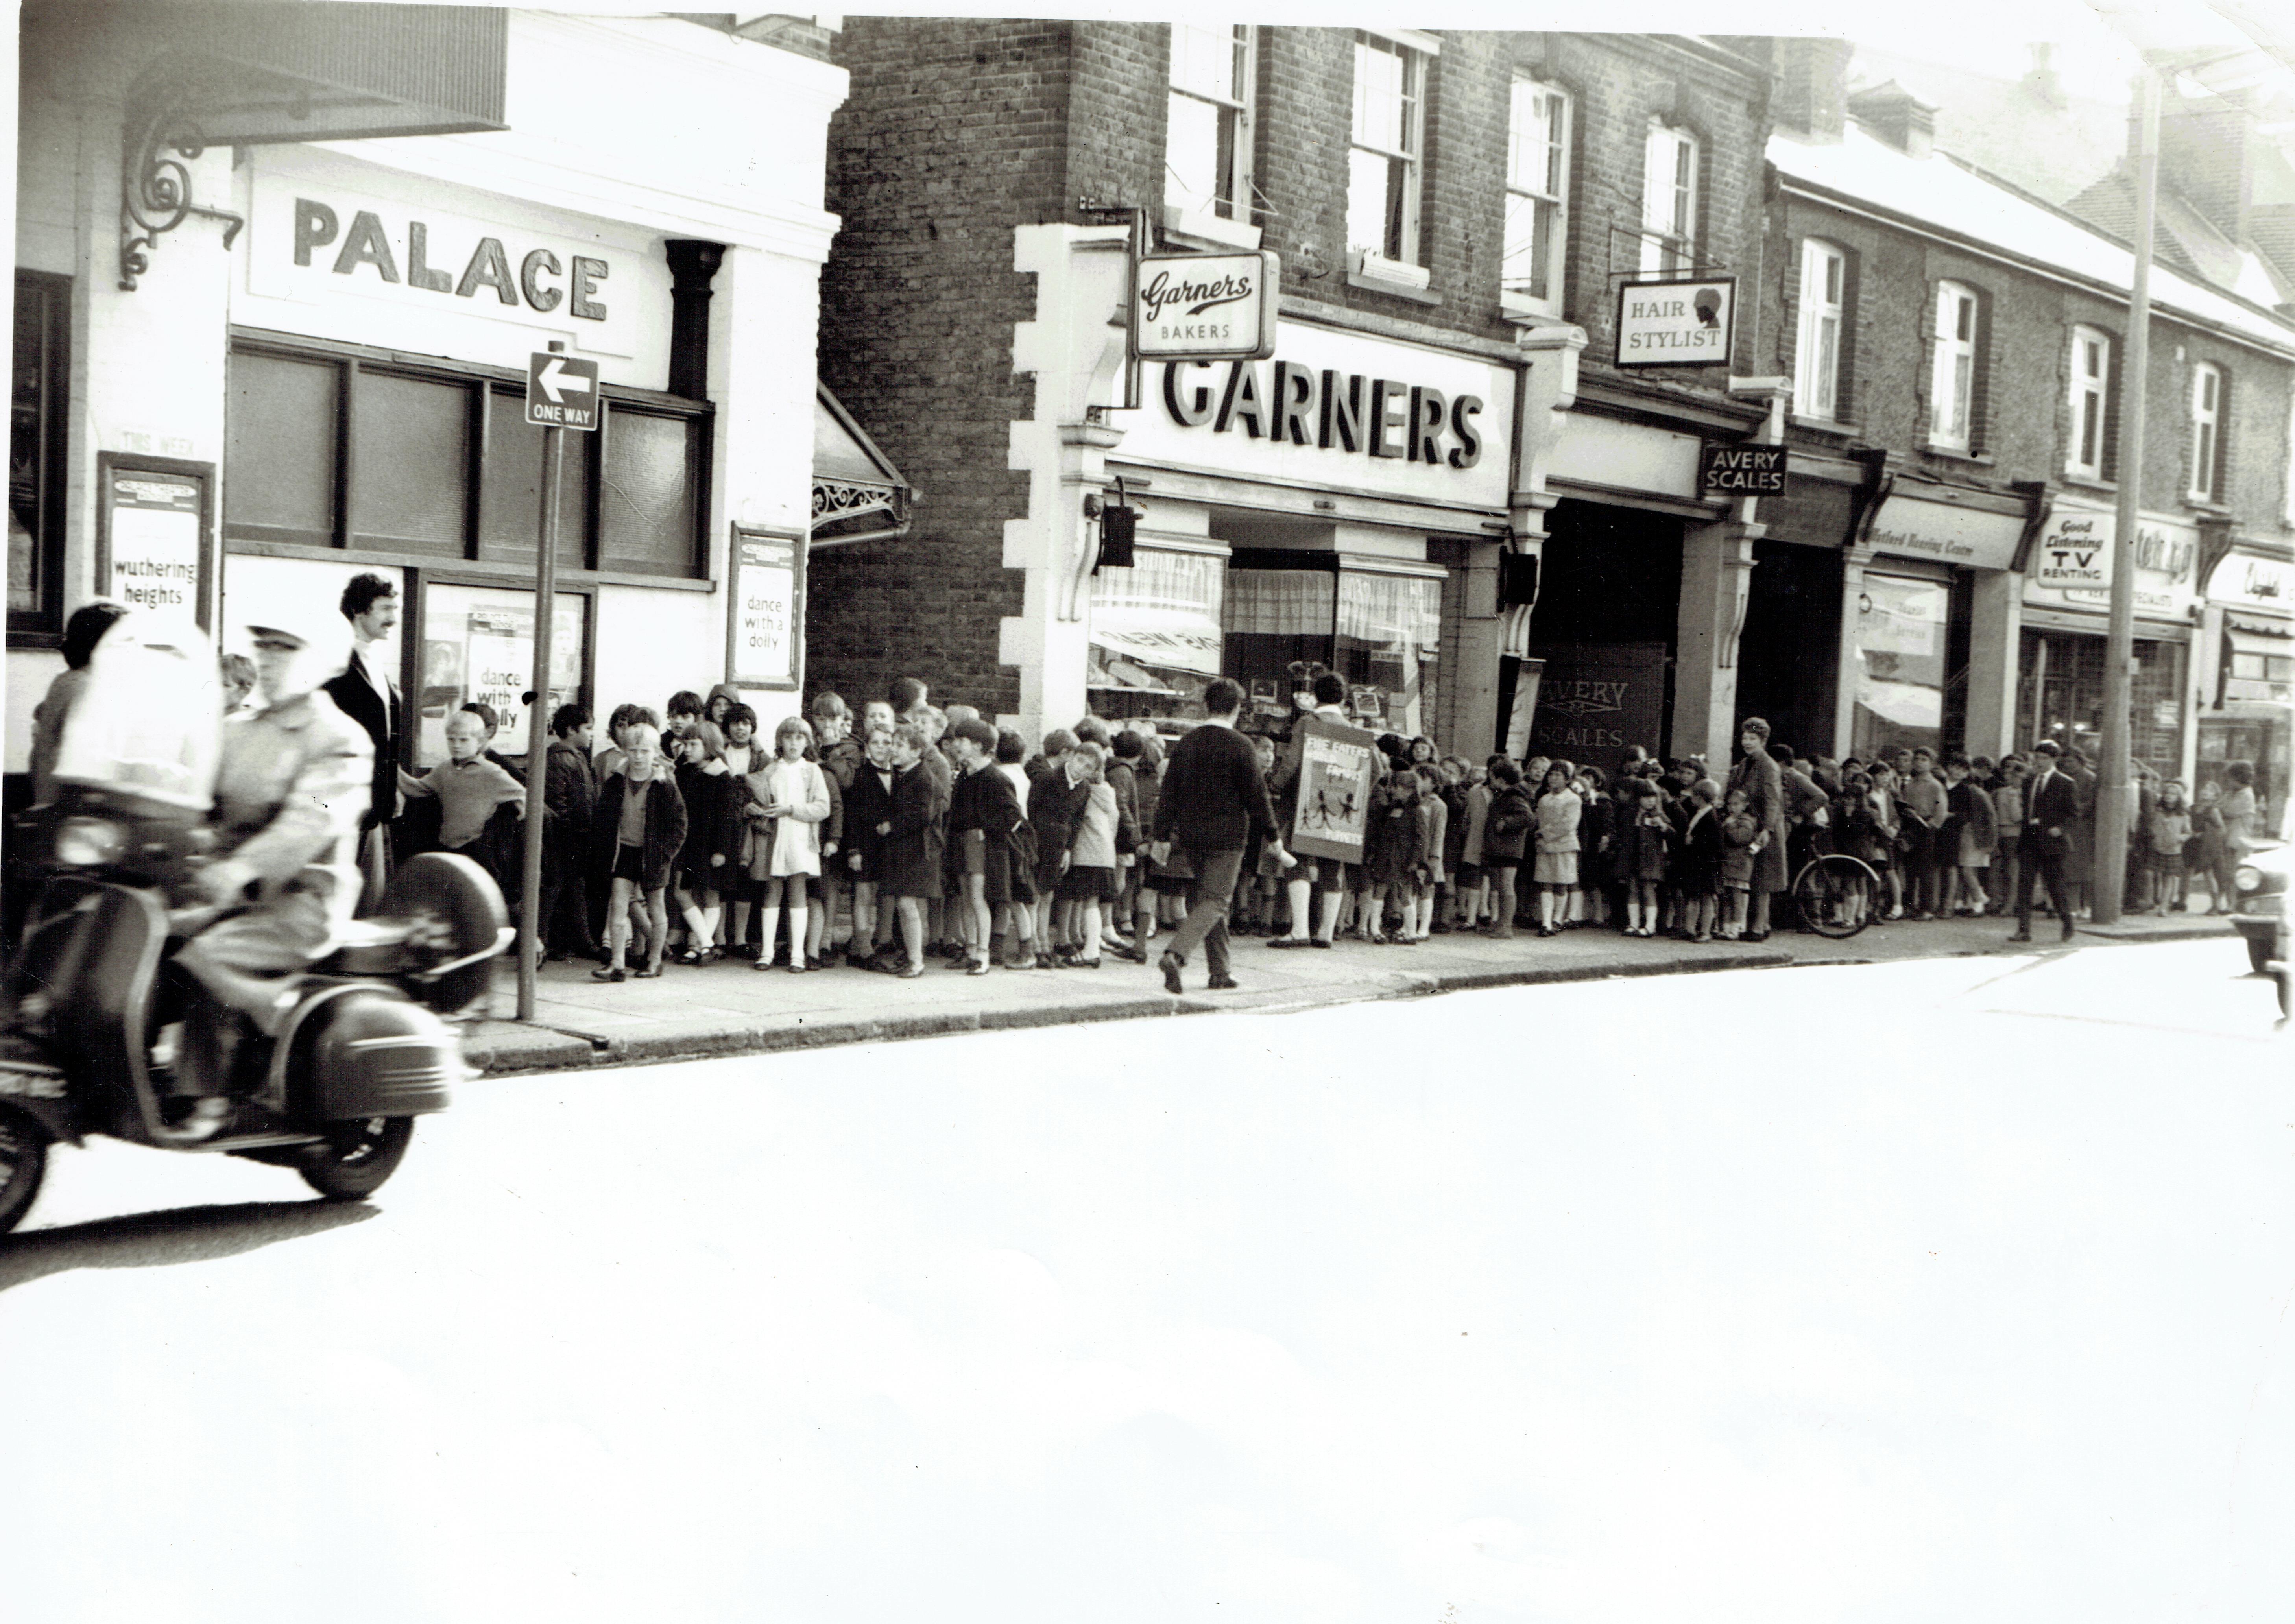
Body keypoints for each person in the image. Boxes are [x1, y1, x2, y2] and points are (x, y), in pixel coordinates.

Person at [170, 605, 371, 1125]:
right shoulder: (239, 730)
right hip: (225, 889)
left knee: (209, 953)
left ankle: (222, 1083)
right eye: (264, 648)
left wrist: (239, 868)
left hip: (300, 901)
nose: (268, 660)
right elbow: (198, 796)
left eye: (285, 649)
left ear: (322, 661)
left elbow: (317, 818)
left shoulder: (342, 741)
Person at [1149, 679, 1287, 993]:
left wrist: (1161, 836)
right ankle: (1176, 954)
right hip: (1228, 837)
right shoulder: (1241, 745)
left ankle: (1220, 972)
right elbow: (1257, 797)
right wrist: (1273, 835)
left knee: (1208, 901)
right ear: (1237, 709)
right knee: (1216, 900)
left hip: (1191, 835)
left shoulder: (1186, 743)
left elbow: (1169, 793)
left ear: (1206, 706)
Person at [318, 573, 400, 909]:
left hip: (374, 801)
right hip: (344, 800)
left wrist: (392, 787)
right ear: (359, 611)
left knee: (368, 896)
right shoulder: (336, 663)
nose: (393, 619)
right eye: (385, 609)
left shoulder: (375, 661)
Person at [1269, 671, 1363, 949]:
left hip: (1309, 802)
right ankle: (1325, 933)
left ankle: (1299, 930)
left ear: (1315, 696)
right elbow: (1377, 769)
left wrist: (1275, 785)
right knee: (1332, 867)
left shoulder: (1308, 722)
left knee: (1296, 862)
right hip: (1343, 806)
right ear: (1343, 698)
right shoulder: (1354, 730)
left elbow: (1291, 763)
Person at [590, 724, 686, 981]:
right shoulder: (616, 780)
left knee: (656, 908)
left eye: (645, 751)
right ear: (625, 750)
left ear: (655, 752)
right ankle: (618, 963)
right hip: (624, 852)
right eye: (633, 750)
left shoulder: (663, 783)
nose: (639, 756)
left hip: (653, 855)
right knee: (619, 906)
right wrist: (604, 848)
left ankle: (654, 961)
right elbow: (602, 817)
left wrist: (665, 855)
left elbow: (679, 824)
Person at [741, 716, 831, 972]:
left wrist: (791, 809)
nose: (793, 743)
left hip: (800, 839)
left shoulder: (811, 770)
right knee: (772, 892)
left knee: (798, 892)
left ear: (807, 742)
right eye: (789, 737)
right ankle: (767, 952)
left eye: (799, 738)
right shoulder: (770, 770)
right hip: (774, 838)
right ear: (780, 740)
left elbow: (822, 808)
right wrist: (755, 808)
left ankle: (797, 954)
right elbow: (755, 796)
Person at [396, 709, 526, 886]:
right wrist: (392, 770)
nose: (456, 745)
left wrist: (519, 809)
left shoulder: (491, 772)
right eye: (451, 739)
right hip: (447, 846)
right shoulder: (444, 770)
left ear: (480, 741)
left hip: (477, 850)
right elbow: (418, 788)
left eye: (464, 740)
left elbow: (523, 794)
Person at [945, 717, 1031, 975]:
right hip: (962, 842)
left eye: (963, 741)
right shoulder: (964, 775)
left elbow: (1013, 816)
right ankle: (971, 949)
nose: (956, 746)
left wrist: (987, 832)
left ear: (980, 746)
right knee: (965, 899)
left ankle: (982, 954)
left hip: (982, 846)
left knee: (977, 898)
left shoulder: (996, 777)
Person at [28, 600, 131, 805]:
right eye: (126, 642)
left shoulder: (69, 681)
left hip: (53, 805)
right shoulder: (87, 688)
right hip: (71, 810)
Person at [670, 720, 742, 965]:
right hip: (689, 844)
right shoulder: (687, 772)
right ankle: (707, 943)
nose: (687, 749)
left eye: (693, 744)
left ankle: (701, 945)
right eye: (685, 744)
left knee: (711, 895)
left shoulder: (723, 778)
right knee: (682, 892)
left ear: (709, 746)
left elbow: (728, 818)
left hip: (711, 846)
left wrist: (721, 850)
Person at [876, 722, 941, 978]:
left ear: (916, 752)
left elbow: (923, 815)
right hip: (907, 849)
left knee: (906, 904)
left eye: (900, 746)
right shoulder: (906, 774)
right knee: (904, 905)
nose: (893, 749)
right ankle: (912, 958)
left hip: (917, 851)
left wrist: (891, 826)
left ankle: (916, 962)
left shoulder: (923, 777)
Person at [1055, 740, 1122, 967]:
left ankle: (1092, 950)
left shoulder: (1086, 793)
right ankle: (1092, 947)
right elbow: (1114, 824)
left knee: (1089, 904)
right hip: (1104, 853)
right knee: (1092, 903)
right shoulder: (1109, 794)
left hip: (1087, 854)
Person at [541, 705, 600, 962]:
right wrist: (571, 832)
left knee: (573, 887)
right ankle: (557, 941)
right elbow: (557, 802)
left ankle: (574, 940)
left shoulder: (573, 756)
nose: (591, 734)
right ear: (571, 730)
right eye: (588, 729)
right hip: (567, 836)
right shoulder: (562, 758)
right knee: (562, 887)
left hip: (574, 835)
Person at [2011, 739, 2079, 944]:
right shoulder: (2030, 781)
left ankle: (2068, 924)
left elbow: (2074, 814)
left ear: (2054, 760)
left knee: (2055, 886)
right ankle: (2024, 930)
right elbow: (2027, 808)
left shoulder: (2066, 783)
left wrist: (2061, 828)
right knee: (2025, 886)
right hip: (2030, 838)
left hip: (2052, 841)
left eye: (2044, 758)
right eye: (2036, 758)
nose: (2039, 762)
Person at [1727, 718, 1788, 941]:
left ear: (1763, 741)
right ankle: (1762, 924)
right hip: (1751, 826)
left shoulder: (1769, 766)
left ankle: (1759, 928)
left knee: (1763, 881)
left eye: (1752, 739)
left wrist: (1768, 830)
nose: (1747, 742)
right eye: (1745, 738)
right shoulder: (1745, 764)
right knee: (1753, 879)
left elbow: (1773, 801)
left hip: (1765, 829)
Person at [1361, 766, 1424, 945]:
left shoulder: (1416, 812)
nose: (1394, 790)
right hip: (1386, 857)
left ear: (1409, 790)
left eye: (1398, 787)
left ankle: (1411, 932)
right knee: (1379, 891)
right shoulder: (1390, 809)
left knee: (1404, 894)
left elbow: (1421, 839)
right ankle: (1375, 929)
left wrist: (1416, 861)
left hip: (1403, 860)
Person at [1478, 760, 1532, 941]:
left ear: (1501, 779)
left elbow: (1528, 818)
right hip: (1502, 848)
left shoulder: (1514, 797)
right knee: (1502, 888)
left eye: (1492, 777)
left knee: (1506, 887)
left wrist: (1506, 824)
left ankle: (1506, 927)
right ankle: (1501, 924)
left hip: (1508, 849)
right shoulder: (1505, 796)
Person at [1531, 760, 1581, 938]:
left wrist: (1544, 834)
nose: (1553, 779)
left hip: (1564, 846)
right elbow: (1539, 820)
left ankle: (1557, 920)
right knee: (1546, 883)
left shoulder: (1573, 799)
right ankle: (1546, 922)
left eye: (1558, 775)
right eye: (1551, 775)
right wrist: (1540, 837)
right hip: (1545, 847)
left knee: (1561, 883)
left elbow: (1568, 824)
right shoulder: (1544, 799)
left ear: (1568, 779)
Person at [1676, 779, 1722, 942]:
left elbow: (1715, 843)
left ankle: (1705, 932)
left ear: (1701, 798)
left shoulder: (1711, 817)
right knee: (1694, 897)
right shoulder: (1701, 813)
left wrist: (1693, 841)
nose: (1692, 799)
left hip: (1706, 864)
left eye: (1694, 796)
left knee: (1705, 898)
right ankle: (1690, 929)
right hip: (1697, 863)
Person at [1717, 786, 1760, 940]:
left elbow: (1739, 839)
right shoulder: (1732, 820)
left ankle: (1736, 928)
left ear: (1745, 805)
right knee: (1727, 897)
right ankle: (1726, 927)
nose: (1732, 808)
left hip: (1740, 865)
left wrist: (1729, 825)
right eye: (1730, 804)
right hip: (1729, 864)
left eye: (1736, 804)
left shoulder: (1746, 822)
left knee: (1737, 898)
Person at [2145, 779, 2192, 916]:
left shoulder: (2183, 815)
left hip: (2173, 850)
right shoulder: (2157, 812)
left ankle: (2164, 907)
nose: (2169, 796)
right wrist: (2154, 835)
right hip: (2158, 847)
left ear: (2179, 798)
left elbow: (2188, 832)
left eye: (2173, 794)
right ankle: (2150, 901)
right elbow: (2151, 826)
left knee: (2169, 878)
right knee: (2150, 873)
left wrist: (2181, 838)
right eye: (2167, 793)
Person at [2192, 779, 2233, 914]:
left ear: (2215, 796)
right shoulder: (2195, 808)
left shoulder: (2213, 811)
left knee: (2212, 874)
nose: (2205, 791)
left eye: (2210, 790)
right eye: (2204, 788)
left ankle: (2216, 905)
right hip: (2199, 844)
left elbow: (2222, 829)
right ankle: (2215, 904)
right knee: (2207, 875)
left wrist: (2210, 837)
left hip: (2211, 845)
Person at [218, 651, 258, 720]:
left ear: (245, 691)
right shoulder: (209, 717)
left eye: (225, 685)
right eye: (215, 683)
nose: (217, 689)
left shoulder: (250, 721)